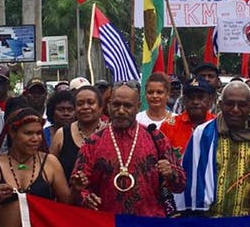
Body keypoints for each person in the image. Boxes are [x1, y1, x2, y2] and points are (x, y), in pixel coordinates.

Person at [71, 83, 185, 217]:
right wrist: (86, 197)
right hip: (108, 225)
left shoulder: (156, 138)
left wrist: (171, 173)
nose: (121, 110)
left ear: (138, 107)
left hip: (149, 225)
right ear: (109, 105)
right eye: (116, 105)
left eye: (127, 106)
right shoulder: (93, 143)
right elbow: (79, 187)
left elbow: (180, 185)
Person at [176, 81, 250, 217]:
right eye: (230, 104)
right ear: (221, 105)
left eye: (242, 105)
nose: (235, 109)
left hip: (249, 226)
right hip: (210, 223)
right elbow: (188, 179)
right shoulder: (203, 134)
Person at [49, 85, 108, 180]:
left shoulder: (110, 132)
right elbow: (50, 169)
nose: (85, 107)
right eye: (80, 104)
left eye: (91, 103)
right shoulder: (62, 134)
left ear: (101, 107)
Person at [159, 78, 216, 155]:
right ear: (183, 101)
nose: (195, 102)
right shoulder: (168, 126)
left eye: (200, 97)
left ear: (210, 100)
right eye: (191, 98)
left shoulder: (217, 125)